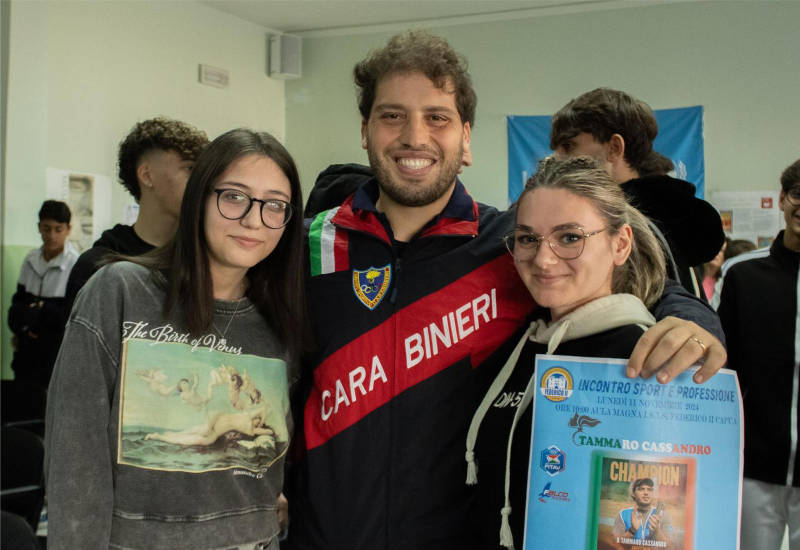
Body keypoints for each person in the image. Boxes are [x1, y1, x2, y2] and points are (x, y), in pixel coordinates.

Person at [287, 31, 725, 550]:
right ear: (365, 130)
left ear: (466, 138)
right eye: (391, 115)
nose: (413, 135)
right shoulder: (306, 246)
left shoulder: (511, 247)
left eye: (437, 117)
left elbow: (627, 284)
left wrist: (694, 322)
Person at [45, 128, 307, 550]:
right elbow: (75, 463)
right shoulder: (120, 292)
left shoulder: (280, 324)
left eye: (275, 205)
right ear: (199, 198)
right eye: (235, 196)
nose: (254, 220)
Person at [464, 156, 672, 548]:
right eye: (528, 238)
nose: (543, 259)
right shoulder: (517, 347)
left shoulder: (647, 358)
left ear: (620, 243)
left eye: (570, 237)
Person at [550, 87, 725, 299]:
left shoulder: (635, 225)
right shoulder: (669, 220)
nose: (556, 158)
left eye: (568, 146)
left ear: (614, 147)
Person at [718, 158, 800, 550]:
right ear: (783, 199)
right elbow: (722, 365)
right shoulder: (742, 275)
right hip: (753, 465)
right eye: (798, 194)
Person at [64, 116, 208, 309]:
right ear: (147, 176)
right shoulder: (97, 267)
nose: (201, 181)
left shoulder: (207, 260)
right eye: (189, 168)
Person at [8, 200, 79, 389]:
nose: (52, 235)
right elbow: (18, 302)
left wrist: (41, 309)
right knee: (21, 397)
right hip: (26, 348)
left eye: (58, 229)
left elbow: (68, 315)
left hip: (53, 350)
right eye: (46, 229)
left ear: (68, 229)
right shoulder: (31, 259)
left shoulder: (75, 264)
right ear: (39, 227)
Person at [613, 478, 673, 545]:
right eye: (641, 489)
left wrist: (657, 531)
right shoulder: (622, 514)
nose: (646, 493)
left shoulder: (664, 515)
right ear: (633, 493)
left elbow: (669, 546)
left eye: (650, 489)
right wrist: (631, 531)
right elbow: (614, 543)